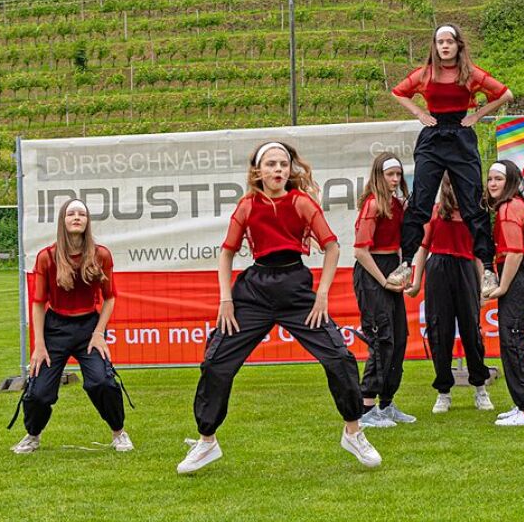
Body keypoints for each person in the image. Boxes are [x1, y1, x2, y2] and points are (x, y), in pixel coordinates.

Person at [177, 141, 380, 474]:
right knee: (216, 363)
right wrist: (226, 299)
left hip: (296, 289)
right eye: (271, 164)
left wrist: (322, 294)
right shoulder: (246, 206)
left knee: (340, 358)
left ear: (290, 169)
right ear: (258, 171)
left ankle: (353, 432)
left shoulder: (302, 203)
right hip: (253, 291)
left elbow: (331, 247)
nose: (278, 170)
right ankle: (207, 441)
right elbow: (226, 253)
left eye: (283, 164)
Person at [386, 24, 512, 297]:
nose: (444, 46)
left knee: (472, 205)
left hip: (461, 138)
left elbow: (505, 94)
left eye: (449, 41)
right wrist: (419, 113)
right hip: (432, 138)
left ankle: (488, 270)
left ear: (458, 45)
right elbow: (397, 92)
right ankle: (406, 263)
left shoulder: (471, 74)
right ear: (434, 45)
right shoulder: (425, 74)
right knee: (419, 202)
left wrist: (476, 117)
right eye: (440, 42)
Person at [11, 199, 133, 454]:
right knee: (39, 393)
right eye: (71, 213)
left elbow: (110, 298)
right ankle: (32, 436)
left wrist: (99, 333)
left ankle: (118, 433)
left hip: (89, 327)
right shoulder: (47, 257)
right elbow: (38, 303)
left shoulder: (101, 255)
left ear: (87, 222)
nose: (76, 217)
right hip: (55, 328)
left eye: (82, 214)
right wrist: (39, 346)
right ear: (63, 221)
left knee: (102, 383)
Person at [406, 173, 493, 414]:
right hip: (438, 271)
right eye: (451, 183)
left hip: (466, 271)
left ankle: (480, 388)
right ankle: (443, 392)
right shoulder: (435, 212)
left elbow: (479, 254)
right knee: (439, 332)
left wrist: (483, 288)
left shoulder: (475, 214)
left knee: (471, 331)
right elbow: (423, 249)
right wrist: (415, 283)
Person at [353, 153, 416, 427]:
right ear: (378, 175)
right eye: (390, 174)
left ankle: (387, 403)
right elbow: (360, 252)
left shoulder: (397, 204)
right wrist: (383, 281)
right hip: (373, 273)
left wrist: (405, 274)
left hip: (391, 268)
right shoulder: (372, 205)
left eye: (398, 175)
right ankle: (366, 409)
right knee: (381, 339)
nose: (395, 179)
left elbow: (403, 245)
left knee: (399, 337)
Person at [483, 161, 524, 426]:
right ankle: (522, 404)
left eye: (499, 178)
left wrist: (502, 287)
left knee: (514, 339)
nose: (493, 183)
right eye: (490, 179)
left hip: (522, 274)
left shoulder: (509, 208)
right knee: (512, 339)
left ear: (511, 181)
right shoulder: (511, 204)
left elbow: (515, 253)